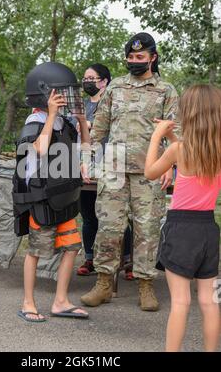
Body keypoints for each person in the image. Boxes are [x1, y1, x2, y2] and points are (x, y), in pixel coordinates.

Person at [81, 32, 179, 311]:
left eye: (140, 57)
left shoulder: (166, 90)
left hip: (149, 169)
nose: (134, 61)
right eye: (131, 57)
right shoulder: (115, 88)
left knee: (146, 229)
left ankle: (146, 286)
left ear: (153, 58)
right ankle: (103, 284)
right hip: (113, 167)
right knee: (109, 227)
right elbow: (99, 127)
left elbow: (176, 132)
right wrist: (87, 160)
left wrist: (171, 165)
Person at [145, 84, 221, 352]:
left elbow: (150, 173)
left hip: (181, 228)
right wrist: (173, 135)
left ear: (188, 113)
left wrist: (157, 137)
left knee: (180, 302)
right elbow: (195, 155)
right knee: (209, 302)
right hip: (208, 230)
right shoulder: (215, 150)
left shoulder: (179, 151)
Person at [13, 62, 90, 322]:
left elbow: (84, 149)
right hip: (43, 199)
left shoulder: (63, 122)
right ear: (45, 94)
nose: (66, 98)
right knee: (37, 250)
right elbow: (41, 149)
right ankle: (28, 303)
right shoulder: (36, 120)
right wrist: (50, 116)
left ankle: (60, 301)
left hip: (63, 198)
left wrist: (81, 122)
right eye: (61, 93)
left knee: (71, 248)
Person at [76, 63, 134, 278]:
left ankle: (127, 261)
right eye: (85, 78)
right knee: (89, 216)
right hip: (84, 165)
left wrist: (90, 125)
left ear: (104, 81)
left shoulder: (112, 103)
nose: (87, 82)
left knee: (116, 216)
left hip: (109, 164)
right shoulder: (80, 105)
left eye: (91, 78)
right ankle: (90, 258)